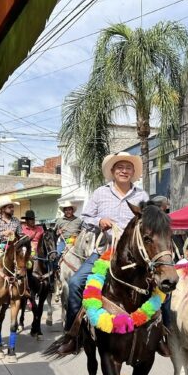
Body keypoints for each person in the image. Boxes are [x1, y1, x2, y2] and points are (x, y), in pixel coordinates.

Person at [58, 152, 149, 355]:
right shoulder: (100, 193)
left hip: (135, 257)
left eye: (128, 168)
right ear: (113, 171)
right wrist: (100, 221)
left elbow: (148, 224)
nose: (124, 171)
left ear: (133, 172)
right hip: (104, 252)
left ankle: (163, 335)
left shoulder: (142, 196)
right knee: (74, 284)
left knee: (163, 286)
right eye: (120, 167)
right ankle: (72, 335)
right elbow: (86, 217)